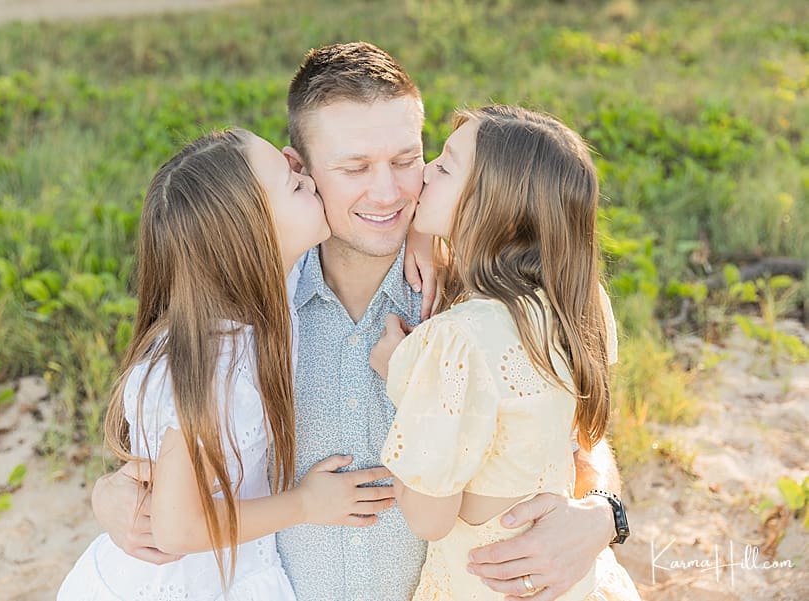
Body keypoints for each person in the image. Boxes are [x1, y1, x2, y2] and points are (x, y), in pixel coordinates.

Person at [92, 43, 629, 601]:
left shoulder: (489, 295)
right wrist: (110, 495)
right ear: (297, 170)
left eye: (406, 161)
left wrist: (600, 514)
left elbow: (575, 438)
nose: (388, 192)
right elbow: (172, 454)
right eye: (354, 168)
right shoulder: (244, 310)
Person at [58, 129, 397, 600]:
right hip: (183, 581)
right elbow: (177, 530)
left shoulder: (272, 290)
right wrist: (305, 504)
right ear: (252, 236)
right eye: (293, 184)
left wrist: (420, 237)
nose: (305, 178)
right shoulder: (217, 361)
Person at [370, 105, 641, 600]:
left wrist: (405, 378)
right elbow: (583, 440)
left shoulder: (456, 341)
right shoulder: (581, 304)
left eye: (446, 166)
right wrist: (422, 229)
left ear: (489, 207)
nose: (427, 169)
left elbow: (428, 517)